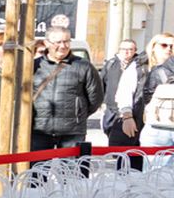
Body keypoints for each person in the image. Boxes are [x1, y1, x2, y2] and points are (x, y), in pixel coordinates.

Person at [29, 25, 104, 153]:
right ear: (46, 43)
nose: (63, 46)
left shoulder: (83, 66)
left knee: (71, 171)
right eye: (58, 42)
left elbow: (95, 98)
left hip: (72, 132)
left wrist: (77, 115)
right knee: (38, 171)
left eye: (66, 41)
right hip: (39, 131)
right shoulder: (33, 66)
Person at [134, 33, 174, 156]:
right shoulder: (139, 66)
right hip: (158, 127)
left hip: (157, 126)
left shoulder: (158, 71)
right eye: (164, 45)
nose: (169, 48)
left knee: (154, 173)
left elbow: (147, 98)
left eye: (172, 46)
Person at [102, 38, 145, 149]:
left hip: (131, 110)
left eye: (130, 49)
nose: (127, 52)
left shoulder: (139, 65)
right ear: (119, 50)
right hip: (112, 108)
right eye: (124, 49)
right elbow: (102, 83)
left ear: (135, 50)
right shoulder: (111, 64)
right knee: (111, 134)